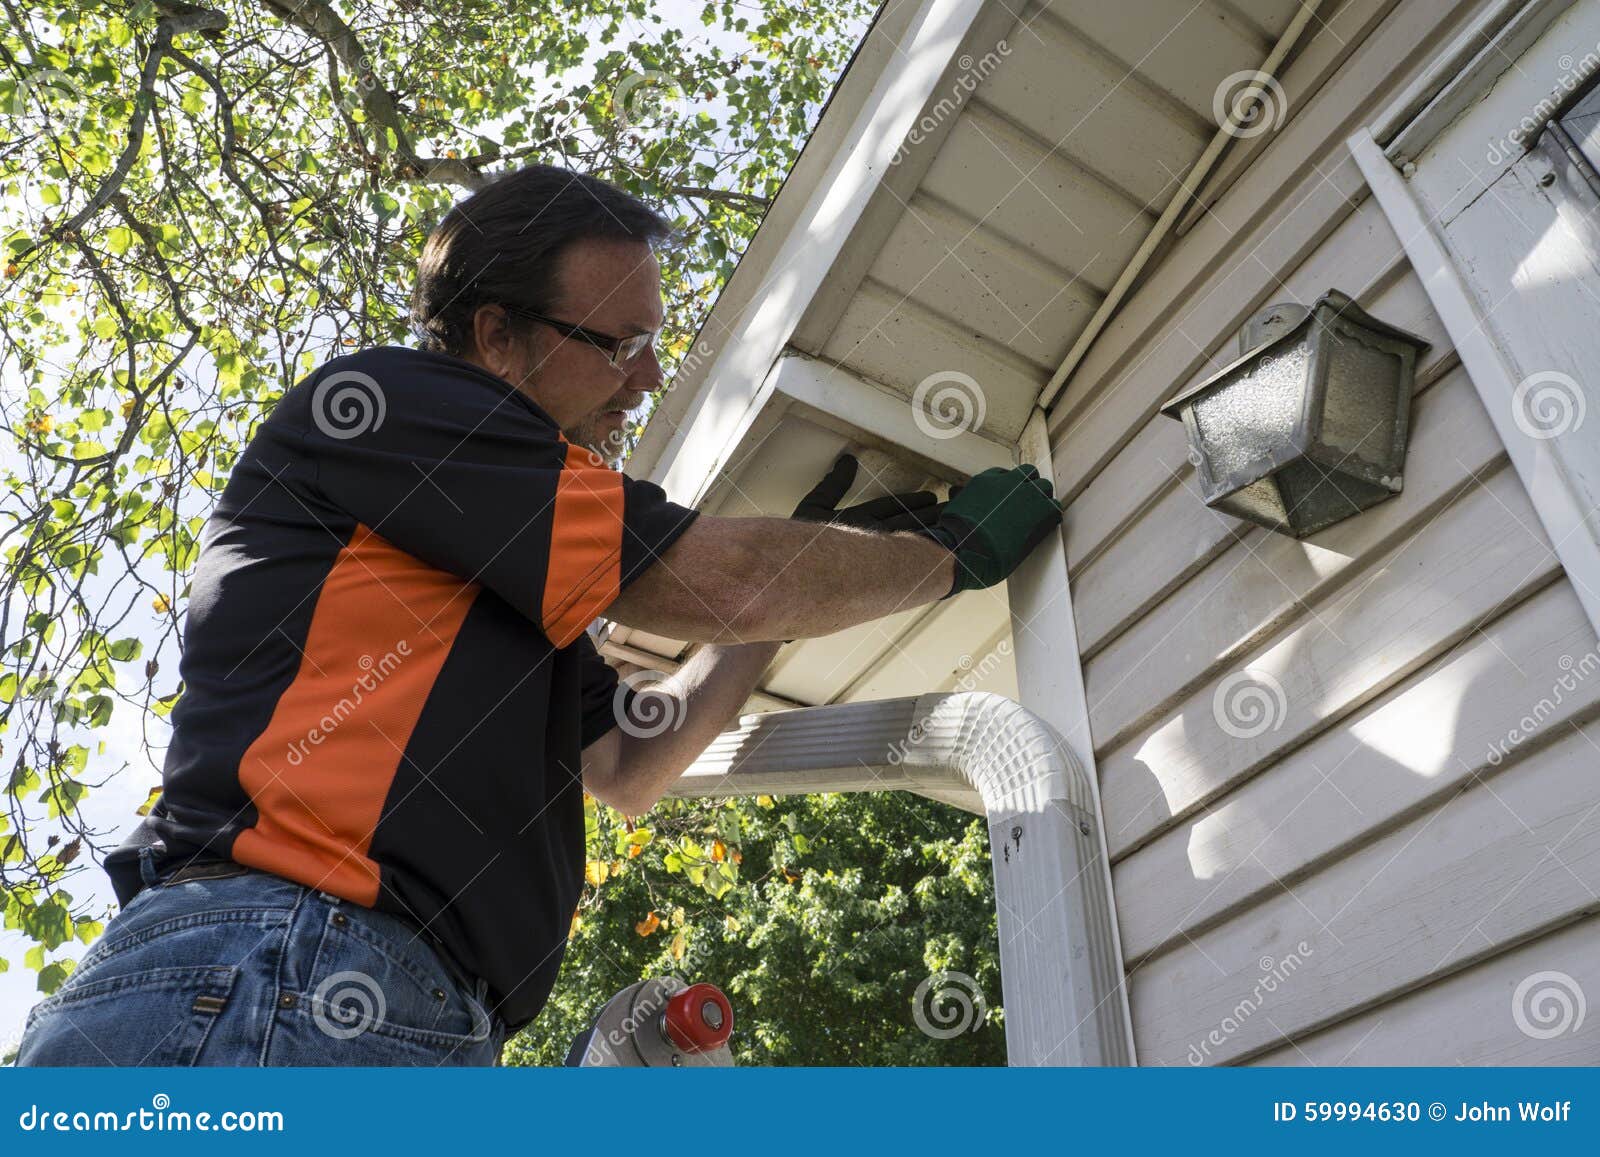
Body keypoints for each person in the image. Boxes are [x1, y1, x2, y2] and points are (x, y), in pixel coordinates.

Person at [16, 165, 1062, 1066]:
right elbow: (723, 580)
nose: (648, 377)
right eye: (619, 345)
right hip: (281, 965)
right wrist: (943, 558)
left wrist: (799, 594)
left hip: (349, 996)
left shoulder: (500, 581)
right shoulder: (391, 410)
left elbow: (632, 763)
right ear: (496, 335)